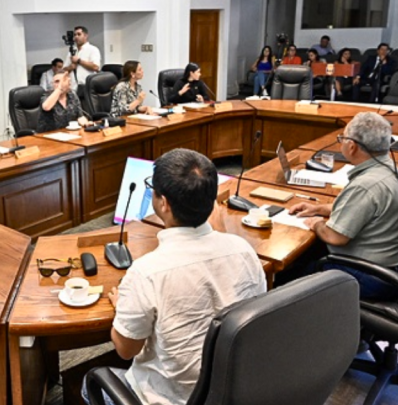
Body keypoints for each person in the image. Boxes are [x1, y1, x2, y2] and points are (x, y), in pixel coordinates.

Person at [83, 148, 266, 405]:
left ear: (164, 204)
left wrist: (122, 307)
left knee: (89, 382)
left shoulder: (147, 272)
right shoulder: (245, 251)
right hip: (231, 390)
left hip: (171, 398)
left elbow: (126, 350)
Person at [289, 112, 398, 300]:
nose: (340, 143)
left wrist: (315, 223)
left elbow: (335, 236)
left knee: (290, 276)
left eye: (342, 138)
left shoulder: (365, 185)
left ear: (352, 146)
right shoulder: (391, 171)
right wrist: (321, 208)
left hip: (372, 277)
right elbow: (370, 210)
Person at [63, 26, 102, 93]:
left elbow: (96, 67)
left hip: (87, 87)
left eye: (79, 34)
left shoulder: (93, 49)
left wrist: (79, 61)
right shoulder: (72, 51)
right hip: (73, 88)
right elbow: (64, 70)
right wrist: (71, 67)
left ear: (85, 36)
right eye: (75, 35)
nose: (76, 37)